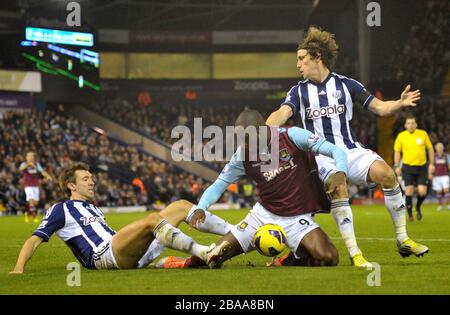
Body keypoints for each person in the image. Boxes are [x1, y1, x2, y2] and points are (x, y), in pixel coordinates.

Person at [266, 25, 429, 262]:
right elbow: (282, 113)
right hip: (321, 155)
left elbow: (380, 108)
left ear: (317, 57)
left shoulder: (346, 84)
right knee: (338, 184)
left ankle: (403, 239)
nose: (298, 64)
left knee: (387, 175)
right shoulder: (298, 91)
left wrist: (399, 103)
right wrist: (265, 128)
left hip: (351, 150)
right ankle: (356, 254)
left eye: (302, 59)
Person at [157, 109, 349, 269]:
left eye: (247, 137)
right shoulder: (243, 154)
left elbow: (335, 151)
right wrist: (201, 207)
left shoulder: (292, 136)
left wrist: (341, 171)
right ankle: (183, 263)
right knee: (213, 257)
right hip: (262, 217)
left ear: (261, 129)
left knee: (328, 257)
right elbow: (219, 184)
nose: (244, 143)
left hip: (296, 218)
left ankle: (292, 259)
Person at [10, 162, 231, 273]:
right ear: (71, 185)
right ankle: (204, 252)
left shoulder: (93, 208)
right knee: (153, 219)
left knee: (180, 206)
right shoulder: (61, 209)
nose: (92, 182)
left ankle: (237, 233)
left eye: (92, 178)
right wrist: (19, 268)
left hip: (123, 251)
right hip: (103, 256)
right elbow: (34, 238)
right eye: (86, 179)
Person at [394, 116, 435, 220]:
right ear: (405, 125)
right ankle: (410, 215)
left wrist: (431, 164)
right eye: (408, 123)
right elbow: (397, 152)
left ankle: (418, 207)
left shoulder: (422, 134)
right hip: (408, 167)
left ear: (416, 124)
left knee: (422, 192)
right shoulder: (401, 136)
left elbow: (430, 149)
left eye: (413, 123)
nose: (411, 125)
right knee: (409, 191)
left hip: (422, 167)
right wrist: (397, 165)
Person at [19, 151, 53, 223]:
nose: (31, 157)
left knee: (35, 202)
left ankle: (27, 213)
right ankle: (34, 216)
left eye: (32, 156)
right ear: (26, 157)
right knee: (31, 200)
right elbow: (21, 169)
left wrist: (48, 176)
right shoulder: (24, 164)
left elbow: (42, 171)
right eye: (29, 156)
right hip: (28, 186)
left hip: (35, 186)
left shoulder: (37, 164)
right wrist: (28, 165)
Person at [431, 142, 449, 211]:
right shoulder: (434, 156)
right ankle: (440, 205)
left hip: (445, 175)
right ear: (436, 148)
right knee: (439, 191)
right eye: (438, 147)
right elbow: (432, 166)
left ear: (443, 148)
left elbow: (449, 165)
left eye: (441, 147)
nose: (440, 148)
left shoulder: (446, 156)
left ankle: (448, 205)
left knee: (446, 190)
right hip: (436, 176)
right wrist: (431, 174)